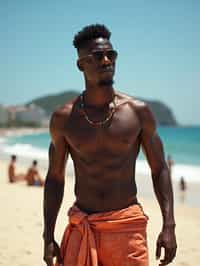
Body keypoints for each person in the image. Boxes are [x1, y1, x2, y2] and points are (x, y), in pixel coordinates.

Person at [43, 24, 177, 266]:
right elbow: (55, 178)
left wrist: (169, 225)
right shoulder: (64, 119)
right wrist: (48, 236)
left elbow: (160, 169)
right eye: (97, 56)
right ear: (81, 64)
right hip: (84, 225)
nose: (107, 60)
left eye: (111, 54)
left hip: (126, 227)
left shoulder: (138, 112)